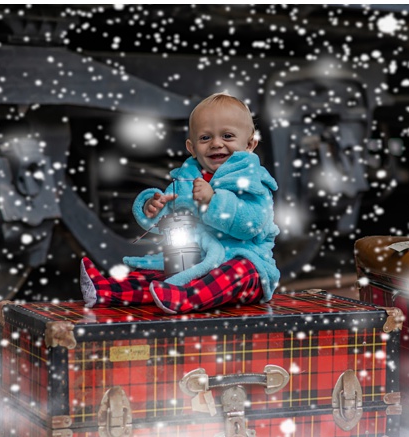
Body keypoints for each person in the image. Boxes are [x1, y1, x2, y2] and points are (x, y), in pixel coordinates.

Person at [80, 92, 280, 314]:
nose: (216, 144)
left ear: (250, 144)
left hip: (244, 261)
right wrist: (154, 208)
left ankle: (185, 298)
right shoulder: (187, 178)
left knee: (239, 273)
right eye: (205, 138)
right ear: (192, 147)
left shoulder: (253, 180)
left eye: (227, 136)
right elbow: (170, 211)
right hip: (195, 258)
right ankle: (107, 290)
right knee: (162, 272)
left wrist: (213, 202)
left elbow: (250, 225)